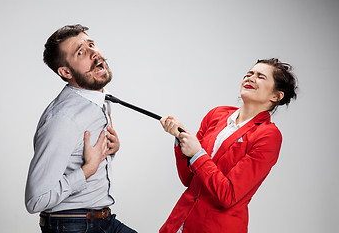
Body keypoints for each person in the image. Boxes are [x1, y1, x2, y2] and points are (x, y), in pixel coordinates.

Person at [159, 58, 298, 233]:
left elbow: (228, 195)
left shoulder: (268, 135)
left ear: (276, 96)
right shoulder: (217, 114)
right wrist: (180, 138)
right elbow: (189, 179)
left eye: (260, 76)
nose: (250, 78)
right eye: (248, 74)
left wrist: (197, 154)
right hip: (178, 222)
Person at [25, 24, 137, 233]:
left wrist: (109, 152)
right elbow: (35, 200)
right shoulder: (64, 118)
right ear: (66, 71)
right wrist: (88, 169)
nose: (94, 53)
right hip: (72, 225)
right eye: (81, 52)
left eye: (91, 44)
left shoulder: (95, 100)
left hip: (101, 219)